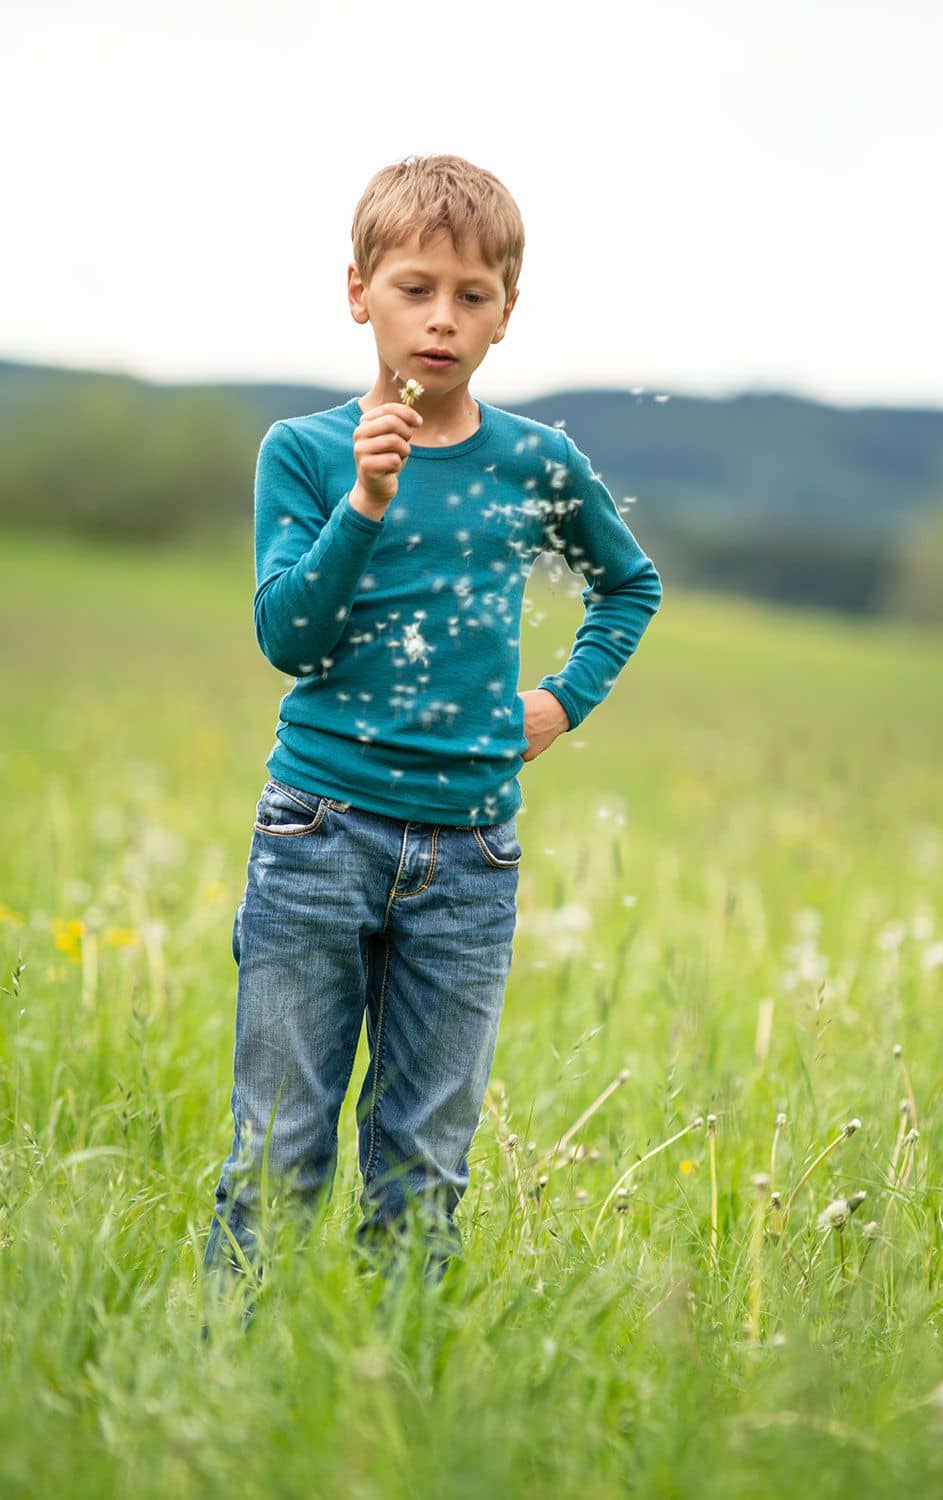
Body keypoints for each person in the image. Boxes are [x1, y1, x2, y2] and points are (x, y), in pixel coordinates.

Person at [202, 152, 662, 1295]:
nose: (441, 321)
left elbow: (629, 584)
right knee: (277, 1151)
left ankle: (398, 1402)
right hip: (317, 835)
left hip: (470, 854)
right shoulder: (305, 453)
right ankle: (229, 1389)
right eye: (415, 289)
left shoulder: (535, 463)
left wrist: (561, 701)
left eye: (472, 296)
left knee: (422, 1167)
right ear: (358, 291)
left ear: (507, 311)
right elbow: (288, 640)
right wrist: (364, 504)